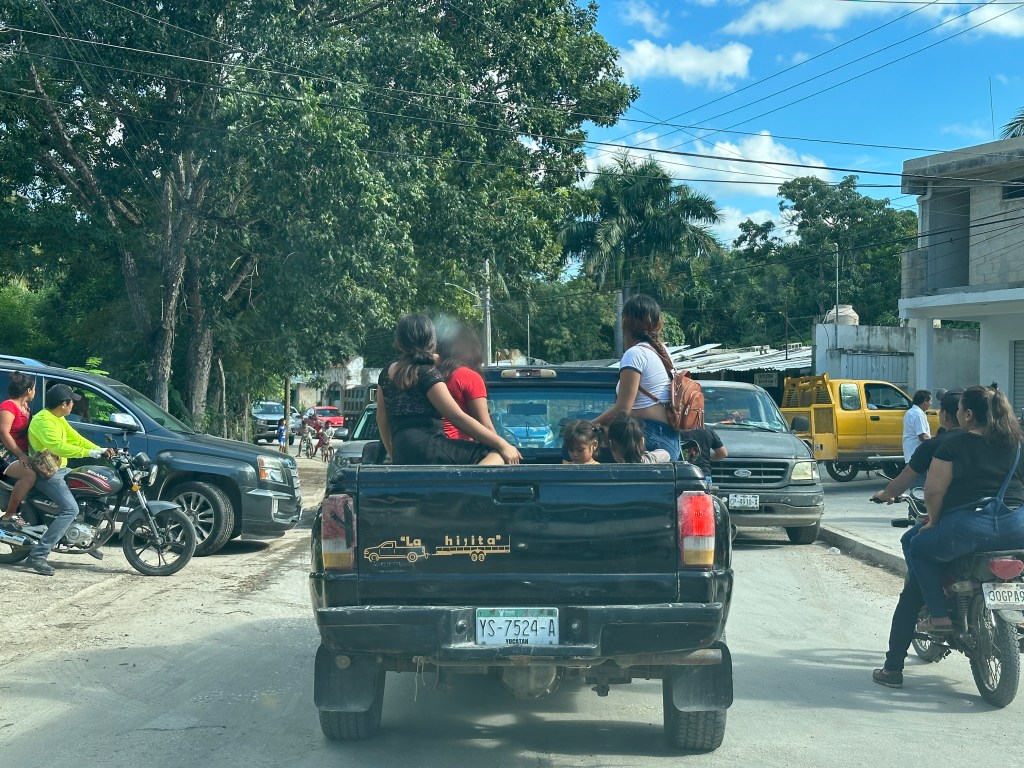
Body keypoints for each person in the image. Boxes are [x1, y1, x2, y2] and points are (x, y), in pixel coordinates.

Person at [905, 385, 1024, 634]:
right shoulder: (1017, 444)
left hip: (968, 528)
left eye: (959, 408)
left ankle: (939, 616)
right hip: (1017, 525)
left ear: (968, 415)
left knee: (918, 546)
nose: (956, 412)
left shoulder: (954, 444)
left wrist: (933, 521)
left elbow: (933, 491)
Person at [870, 389, 962, 688]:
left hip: (958, 524)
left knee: (914, 549)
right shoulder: (1005, 443)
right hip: (1010, 525)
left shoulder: (942, 445)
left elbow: (928, 490)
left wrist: (886, 495)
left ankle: (893, 668)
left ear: (948, 415)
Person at [375, 313, 521, 466]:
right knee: (497, 454)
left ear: (399, 343)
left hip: (401, 451)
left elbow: (381, 420)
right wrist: (502, 444)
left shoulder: (386, 374)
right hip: (429, 447)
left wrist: (394, 455)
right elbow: (457, 417)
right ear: (432, 341)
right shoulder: (427, 374)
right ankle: (470, 487)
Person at [26, 384, 113, 576]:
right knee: (70, 509)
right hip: (47, 473)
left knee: (100, 489)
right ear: (63, 404)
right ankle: (38, 555)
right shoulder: (43, 421)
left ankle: (87, 538)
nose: (74, 404)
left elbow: (76, 438)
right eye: (71, 401)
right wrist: (89, 453)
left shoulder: (58, 417)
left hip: (61, 469)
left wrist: (99, 450)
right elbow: (58, 447)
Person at [592, 294, 680, 459]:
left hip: (648, 437)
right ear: (657, 323)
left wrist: (589, 425)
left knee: (579, 447)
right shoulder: (662, 352)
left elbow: (623, 409)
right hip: (670, 441)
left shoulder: (634, 354)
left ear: (625, 322)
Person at [437, 321, 495, 440]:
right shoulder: (469, 377)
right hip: (459, 449)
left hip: (432, 445)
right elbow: (487, 428)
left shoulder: (432, 374)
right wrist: (505, 448)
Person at [0, 372, 39, 526]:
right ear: (28, 391)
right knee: (29, 475)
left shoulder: (25, 407)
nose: (35, 392)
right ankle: (9, 514)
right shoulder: (8, 406)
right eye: (34, 389)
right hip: (4, 453)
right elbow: (4, 433)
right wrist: (21, 456)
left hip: (18, 452)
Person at [606, 413, 671, 464]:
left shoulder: (608, 473)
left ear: (612, 445)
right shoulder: (648, 461)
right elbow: (666, 454)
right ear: (642, 442)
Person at [902, 389, 932, 464]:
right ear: (925, 401)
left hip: (910, 454)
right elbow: (923, 437)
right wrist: (937, 442)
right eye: (930, 401)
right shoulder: (918, 415)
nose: (931, 403)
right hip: (917, 455)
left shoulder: (910, 412)